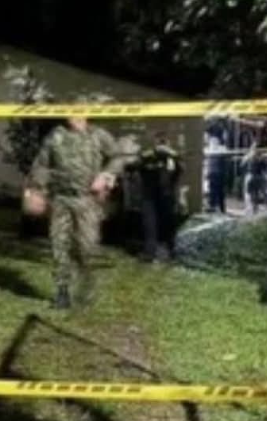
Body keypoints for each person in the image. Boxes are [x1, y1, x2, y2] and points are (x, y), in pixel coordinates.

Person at [24, 113, 127, 309]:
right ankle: (62, 291)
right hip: (60, 199)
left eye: (78, 111)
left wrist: (105, 175)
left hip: (86, 199)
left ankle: (86, 285)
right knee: (59, 243)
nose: (74, 116)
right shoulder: (56, 135)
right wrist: (36, 190)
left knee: (86, 246)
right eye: (70, 112)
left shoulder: (98, 135)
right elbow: (42, 165)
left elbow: (118, 158)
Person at [137, 132, 183, 262]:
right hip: (149, 197)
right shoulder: (147, 157)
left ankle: (171, 251)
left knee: (169, 226)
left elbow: (179, 170)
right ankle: (150, 253)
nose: (162, 145)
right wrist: (153, 155)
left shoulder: (172, 159)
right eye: (159, 142)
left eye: (164, 142)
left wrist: (171, 155)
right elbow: (137, 164)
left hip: (166, 196)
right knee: (150, 226)